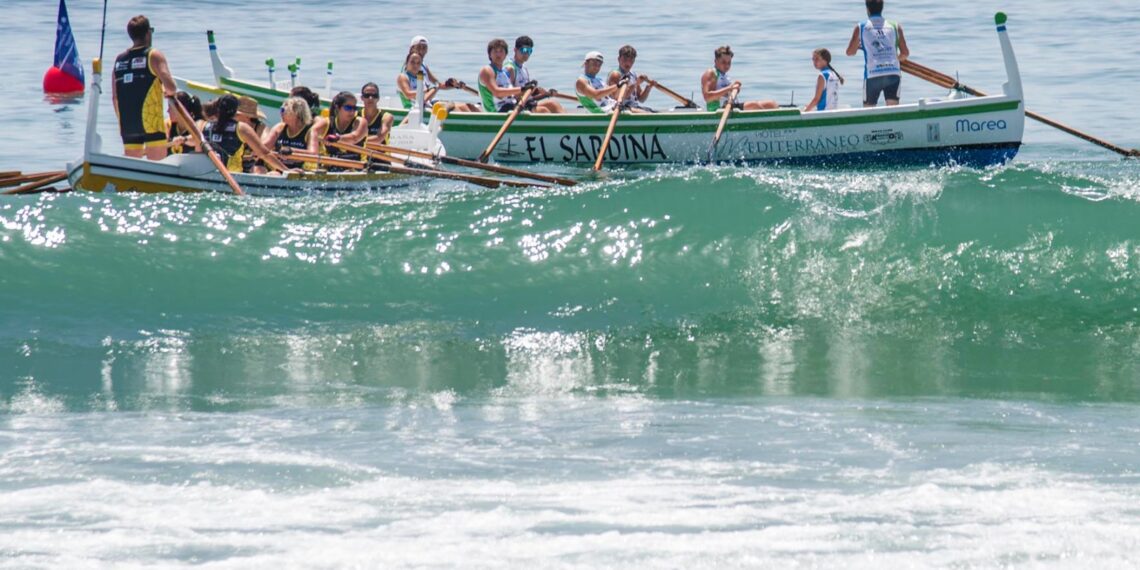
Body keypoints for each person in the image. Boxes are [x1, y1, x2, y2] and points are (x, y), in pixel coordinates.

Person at [112, 15, 178, 160]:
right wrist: (167, 91)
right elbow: (171, 87)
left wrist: (122, 122)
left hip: (127, 124)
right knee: (157, 169)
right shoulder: (154, 55)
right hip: (151, 122)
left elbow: (115, 97)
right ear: (148, 33)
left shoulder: (119, 59)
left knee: (132, 171)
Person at [201, 94, 291, 174]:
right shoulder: (242, 128)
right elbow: (264, 154)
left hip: (209, 173)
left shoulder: (204, 125)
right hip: (233, 175)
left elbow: (265, 147)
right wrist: (287, 170)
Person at [846, 0, 909, 107]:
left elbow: (850, 52)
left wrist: (858, 45)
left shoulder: (861, 26)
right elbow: (905, 53)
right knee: (893, 110)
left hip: (873, 74)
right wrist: (894, 59)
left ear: (867, 9)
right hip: (893, 72)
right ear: (882, 8)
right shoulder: (895, 26)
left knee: (868, 111)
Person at [700, 46, 778, 112]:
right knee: (753, 105)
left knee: (771, 104)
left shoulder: (725, 76)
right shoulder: (711, 73)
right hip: (718, 110)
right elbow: (707, 97)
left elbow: (725, 93)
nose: (726, 66)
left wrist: (734, 90)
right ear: (715, 61)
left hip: (730, 106)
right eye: (723, 62)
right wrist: (730, 88)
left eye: (729, 63)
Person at [397, 51, 478, 113]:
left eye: (418, 63)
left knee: (468, 106)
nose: (415, 65)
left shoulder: (420, 76)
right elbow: (408, 95)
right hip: (415, 110)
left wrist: (453, 85)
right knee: (456, 109)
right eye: (412, 62)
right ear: (406, 63)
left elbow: (438, 86)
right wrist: (430, 89)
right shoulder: (403, 77)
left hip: (428, 104)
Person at [505, 36, 563, 114]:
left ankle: (569, 125)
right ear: (515, 50)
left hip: (527, 103)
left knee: (554, 104)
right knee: (543, 111)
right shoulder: (510, 68)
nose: (526, 54)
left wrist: (546, 94)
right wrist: (527, 90)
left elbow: (529, 96)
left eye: (529, 51)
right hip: (516, 106)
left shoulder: (524, 69)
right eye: (524, 50)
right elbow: (508, 94)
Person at [479, 38, 528, 112]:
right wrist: (522, 89)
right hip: (496, 112)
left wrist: (530, 89)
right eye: (495, 51)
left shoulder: (505, 72)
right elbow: (497, 92)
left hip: (511, 107)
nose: (498, 54)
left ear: (505, 55)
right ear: (490, 55)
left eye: (501, 51)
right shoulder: (487, 70)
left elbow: (513, 95)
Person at [321, 91, 368, 161]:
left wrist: (336, 138)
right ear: (337, 107)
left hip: (357, 168)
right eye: (348, 108)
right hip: (330, 166)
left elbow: (354, 137)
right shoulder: (327, 122)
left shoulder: (360, 122)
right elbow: (313, 132)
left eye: (354, 108)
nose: (352, 111)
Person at [607, 45, 654, 112]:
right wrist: (636, 83)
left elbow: (641, 99)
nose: (628, 63)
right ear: (619, 59)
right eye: (625, 59)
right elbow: (618, 98)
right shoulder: (616, 75)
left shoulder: (633, 74)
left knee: (653, 111)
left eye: (631, 60)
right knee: (648, 114)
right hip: (619, 108)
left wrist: (648, 88)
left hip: (633, 107)